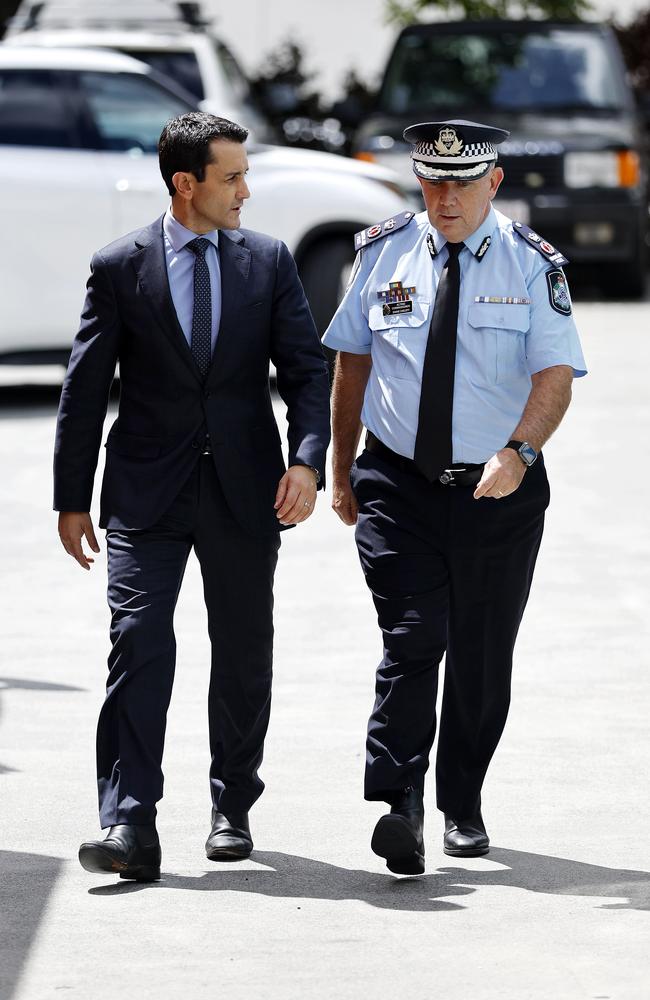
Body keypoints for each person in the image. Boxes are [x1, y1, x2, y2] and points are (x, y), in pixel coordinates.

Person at [54, 112, 330, 881]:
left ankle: (232, 806)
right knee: (139, 643)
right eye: (232, 177)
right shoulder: (120, 267)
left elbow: (307, 372)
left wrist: (307, 462)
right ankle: (128, 823)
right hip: (146, 491)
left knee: (242, 652)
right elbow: (83, 390)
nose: (247, 190)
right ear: (188, 184)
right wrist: (71, 498)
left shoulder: (267, 263)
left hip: (248, 493)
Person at [323, 119, 586, 875]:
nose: (445, 197)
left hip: (497, 491)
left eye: (463, 183)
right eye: (432, 181)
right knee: (411, 639)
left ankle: (461, 802)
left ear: (493, 183)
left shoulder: (534, 265)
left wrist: (520, 451)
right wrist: (342, 468)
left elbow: (555, 377)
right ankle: (399, 799)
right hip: (397, 483)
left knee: (480, 656)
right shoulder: (381, 252)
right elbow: (352, 362)